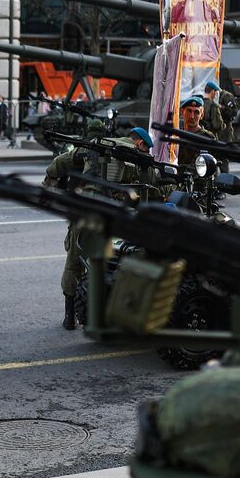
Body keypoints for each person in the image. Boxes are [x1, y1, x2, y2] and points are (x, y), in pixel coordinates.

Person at [52, 125, 156, 330]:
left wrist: (51, 183)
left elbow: (59, 163)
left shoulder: (96, 147)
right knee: (114, 262)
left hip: (82, 212)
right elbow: (152, 184)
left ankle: (69, 316)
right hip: (110, 216)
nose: (147, 153)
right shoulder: (136, 156)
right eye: (147, 149)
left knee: (74, 263)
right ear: (141, 143)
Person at [177, 95, 217, 169]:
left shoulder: (207, 138)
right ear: (182, 112)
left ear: (202, 115)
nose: (192, 116)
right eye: (189, 111)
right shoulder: (176, 136)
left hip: (199, 179)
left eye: (196, 112)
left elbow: (212, 166)